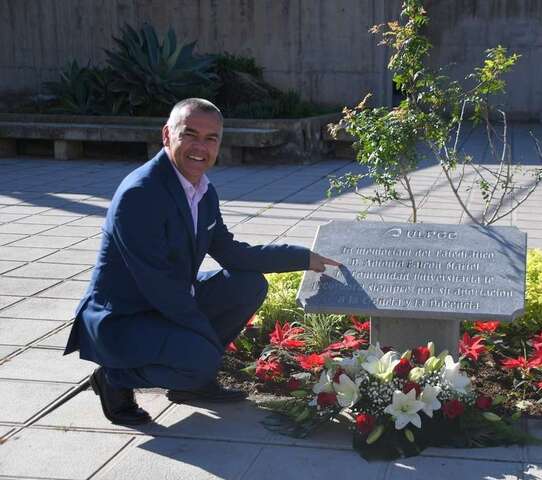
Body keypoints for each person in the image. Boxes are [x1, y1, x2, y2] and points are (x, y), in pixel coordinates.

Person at [64, 98, 338, 425]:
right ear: (167, 135)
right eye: (190, 134)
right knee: (201, 358)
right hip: (125, 316)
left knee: (247, 284)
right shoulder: (140, 194)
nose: (200, 147)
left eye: (211, 138)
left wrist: (303, 257)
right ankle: (114, 378)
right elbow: (158, 285)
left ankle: (191, 382)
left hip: (166, 297)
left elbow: (232, 253)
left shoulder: (203, 191)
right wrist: (205, 343)